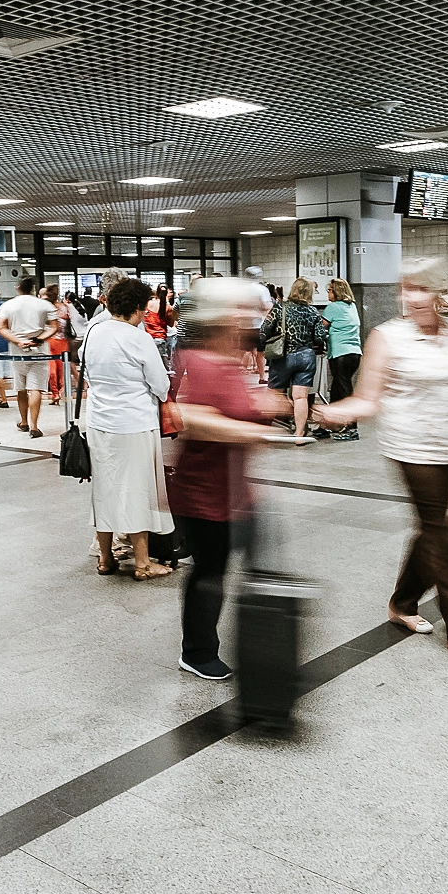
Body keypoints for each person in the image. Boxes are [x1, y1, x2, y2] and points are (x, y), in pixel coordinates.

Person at [320, 259, 448, 664]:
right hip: (411, 445)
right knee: (439, 531)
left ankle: (402, 602)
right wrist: (334, 411)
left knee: (429, 527)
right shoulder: (387, 336)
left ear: (439, 293)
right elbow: (369, 396)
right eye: (405, 288)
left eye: (419, 288)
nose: (410, 297)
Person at [170, 278, 292, 679]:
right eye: (240, 311)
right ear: (220, 318)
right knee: (210, 571)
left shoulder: (229, 361)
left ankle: (255, 640)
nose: (249, 319)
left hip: (236, 492)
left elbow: (234, 408)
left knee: (240, 567)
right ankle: (198, 651)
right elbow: (194, 420)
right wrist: (256, 430)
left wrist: (265, 404)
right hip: (205, 495)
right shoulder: (201, 360)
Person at [79, 277, 175, 580]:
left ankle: (105, 558)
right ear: (135, 308)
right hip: (133, 424)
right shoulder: (138, 338)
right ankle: (143, 564)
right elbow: (161, 385)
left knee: (104, 489)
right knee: (136, 491)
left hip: (98, 423)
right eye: (144, 309)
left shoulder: (94, 332)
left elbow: (87, 372)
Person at [0, 276, 58, 438]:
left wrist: (19, 340)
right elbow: (54, 327)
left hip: (17, 352)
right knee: (35, 388)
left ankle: (24, 422)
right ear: (33, 288)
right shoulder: (45, 305)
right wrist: (39, 339)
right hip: (40, 352)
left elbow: (0, 327)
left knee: (21, 388)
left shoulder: (8, 305)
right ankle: (34, 426)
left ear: (18, 287)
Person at [260, 278, 322, 438]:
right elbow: (320, 337)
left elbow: (264, 330)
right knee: (301, 397)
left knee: (274, 393)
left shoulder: (280, 307)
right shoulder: (313, 311)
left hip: (283, 356)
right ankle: (300, 435)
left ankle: (265, 430)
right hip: (306, 357)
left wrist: (263, 346)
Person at [322, 278, 362, 441]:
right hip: (354, 354)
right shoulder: (351, 306)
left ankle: (352, 428)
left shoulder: (332, 307)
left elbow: (321, 327)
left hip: (340, 354)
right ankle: (330, 424)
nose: (328, 293)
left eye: (330, 290)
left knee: (344, 391)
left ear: (336, 291)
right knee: (338, 388)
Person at [243, 266, 272, 384]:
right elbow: (267, 306)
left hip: (243, 325)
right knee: (261, 353)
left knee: (241, 351)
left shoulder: (241, 289)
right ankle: (262, 377)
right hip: (258, 325)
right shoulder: (262, 289)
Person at [45, 283, 70, 405]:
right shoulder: (64, 308)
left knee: (53, 370)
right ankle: (58, 393)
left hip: (50, 341)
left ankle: (56, 394)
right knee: (61, 370)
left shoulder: (46, 308)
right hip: (62, 342)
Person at [144, 283, 175, 366]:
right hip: (160, 337)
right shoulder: (168, 307)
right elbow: (171, 324)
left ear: (156, 292)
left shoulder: (148, 303)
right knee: (162, 362)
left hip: (148, 337)